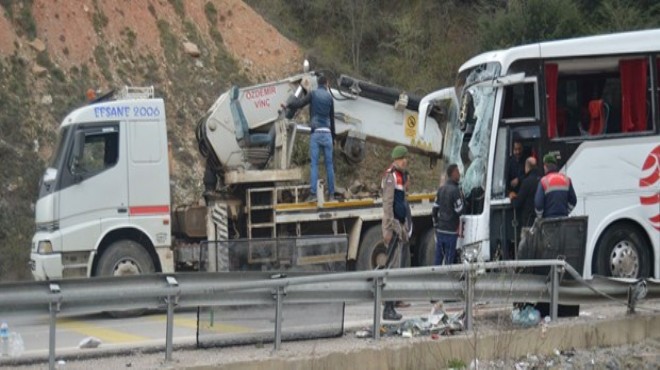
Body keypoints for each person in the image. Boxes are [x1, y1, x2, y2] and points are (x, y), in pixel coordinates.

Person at [286, 75, 336, 202]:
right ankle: (331, 195)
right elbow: (332, 119)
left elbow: (298, 104)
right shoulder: (330, 98)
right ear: (327, 84)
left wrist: (290, 102)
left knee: (314, 165)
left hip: (316, 133)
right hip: (327, 134)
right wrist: (333, 137)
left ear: (317, 84)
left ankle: (313, 194)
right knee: (329, 165)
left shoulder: (312, 94)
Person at [381, 145, 411, 321]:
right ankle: (388, 308)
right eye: (403, 158)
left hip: (398, 226)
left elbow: (401, 203)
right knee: (391, 268)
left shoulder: (400, 176)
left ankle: (392, 303)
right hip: (393, 229)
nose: (406, 161)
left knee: (396, 267)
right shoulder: (391, 176)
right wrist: (393, 228)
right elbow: (388, 205)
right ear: (397, 159)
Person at [432, 164, 464, 266]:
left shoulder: (441, 189)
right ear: (453, 173)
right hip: (451, 232)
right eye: (458, 172)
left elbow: (434, 209)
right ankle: (447, 280)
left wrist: (436, 225)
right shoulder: (455, 191)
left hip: (440, 230)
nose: (459, 174)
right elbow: (460, 210)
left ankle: (435, 279)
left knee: (438, 259)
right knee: (449, 261)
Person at [534, 153, 577, 219]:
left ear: (545, 166)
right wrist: (566, 212)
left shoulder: (543, 181)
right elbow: (573, 200)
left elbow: (538, 204)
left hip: (549, 221)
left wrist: (540, 217)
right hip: (564, 220)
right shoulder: (566, 179)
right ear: (555, 166)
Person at [510, 157, 541, 228]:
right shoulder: (542, 179)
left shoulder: (526, 182)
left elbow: (517, 203)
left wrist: (512, 197)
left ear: (527, 167)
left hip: (529, 221)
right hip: (541, 221)